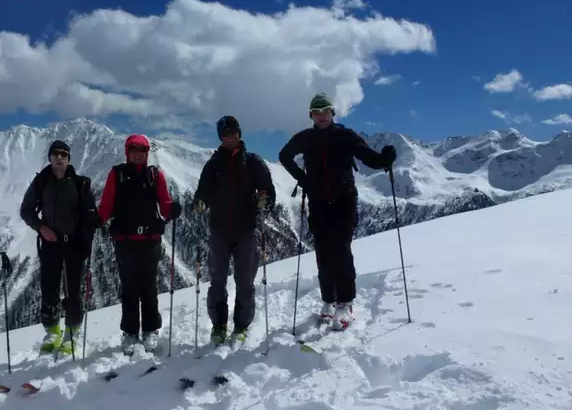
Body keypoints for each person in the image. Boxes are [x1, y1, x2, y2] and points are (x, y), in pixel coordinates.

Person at [278, 92, 397, 331]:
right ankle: (328, 301)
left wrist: (385, 159)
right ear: (311, 115)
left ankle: (345, 302)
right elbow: (284, 156)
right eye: (316, 112)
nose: (321, 116)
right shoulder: (306, 138)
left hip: (344, 201)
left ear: (332, 113)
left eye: (325, 111)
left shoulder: (345, 136)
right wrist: (303, 179)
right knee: (323, 253)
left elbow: (368, 158)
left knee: (341, 250)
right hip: (319, 202)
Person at [193, 115, 276, 346]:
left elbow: (269, 192)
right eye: (225, 134)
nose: (230, 137)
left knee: (245, 281)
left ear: (239, 134)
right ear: (220, 137)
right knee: (217, 280)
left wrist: (265, 200)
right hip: (219, 229)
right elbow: (203, 192)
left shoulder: (253, 162)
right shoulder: (213, 164)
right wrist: (200, 202)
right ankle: (219, 325)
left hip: (246, 229)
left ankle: (241, 326)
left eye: (233, 132)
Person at [97, 134, 182, 355]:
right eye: (133, 150)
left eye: (141, 150)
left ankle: (150, 329)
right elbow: (106, 204)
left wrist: (172, 209)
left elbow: (164, 205)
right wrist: (96, 219)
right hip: (125, 241)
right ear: (127, 152)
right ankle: (131, 332)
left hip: (149, 241)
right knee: (130, 288)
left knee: (148, 287)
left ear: (146, 153)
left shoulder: (155, 175)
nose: (137, 154)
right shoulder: (117, 175)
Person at [20, 139, 101, 355]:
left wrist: (87, 237)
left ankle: (72, 333)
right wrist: (41, 228)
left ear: (68, 159)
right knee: (49, 289)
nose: (59, 157)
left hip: (73, 243)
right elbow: (26, 210)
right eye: (56, 153)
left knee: (73, 290)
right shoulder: (41, 182)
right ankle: (53, 332)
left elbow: (90, 214)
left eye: (64, 154)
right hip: (50, 244)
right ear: (49, 157)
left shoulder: (80, 183)